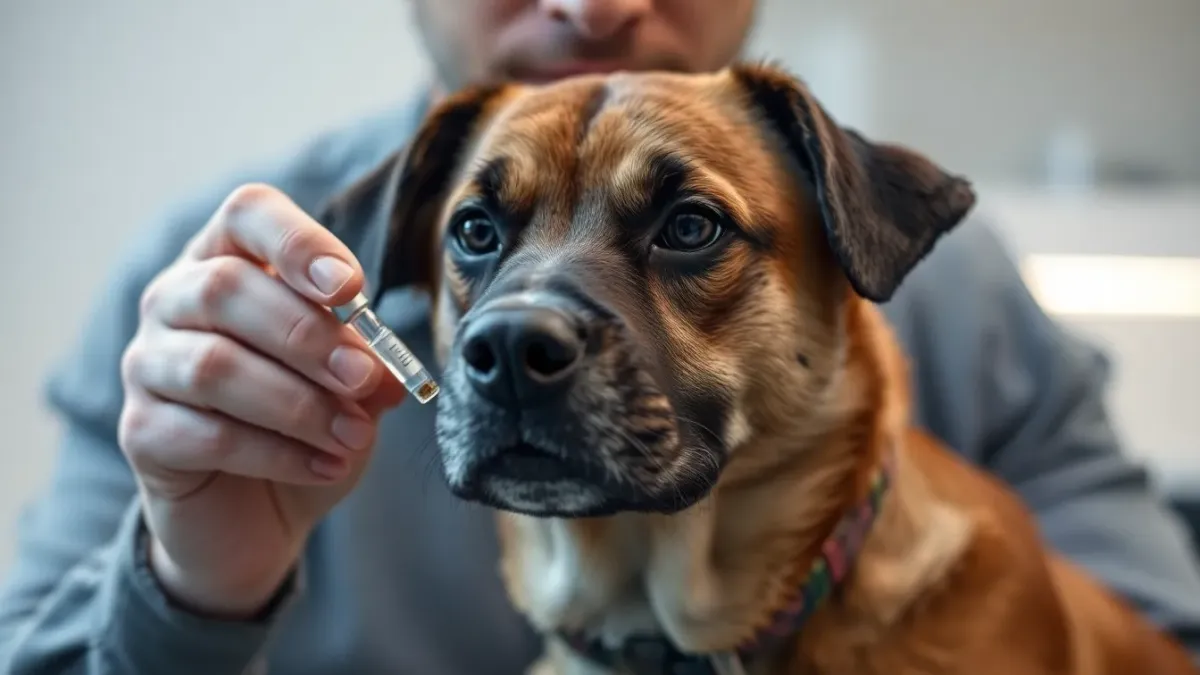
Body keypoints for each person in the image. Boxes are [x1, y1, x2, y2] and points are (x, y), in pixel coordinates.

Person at [1, 1, 1198, 672]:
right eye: (482, 236)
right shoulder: (221, 301)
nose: (595, 0)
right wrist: (188, 590)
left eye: (687, 226)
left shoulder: (955, 286)